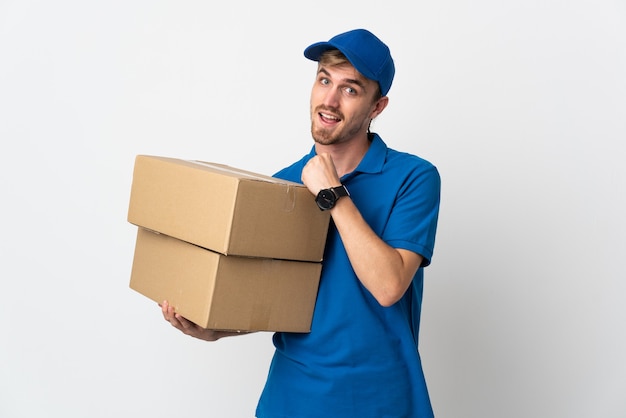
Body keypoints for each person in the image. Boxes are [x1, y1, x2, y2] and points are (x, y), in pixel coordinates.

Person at [161, 28, 441, 418]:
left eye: (351, 89)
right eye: (324, 80)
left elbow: (389, 286)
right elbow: (277, 302)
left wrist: (332, 194)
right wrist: (216, 329)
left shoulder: (414, 177)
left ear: (377, 108)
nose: (329, 99)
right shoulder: (283, 186)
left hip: (383, 401)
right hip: (291, 400)